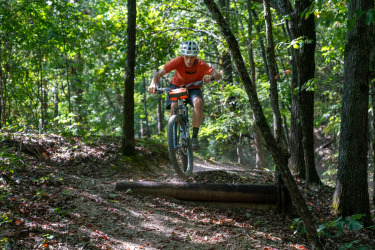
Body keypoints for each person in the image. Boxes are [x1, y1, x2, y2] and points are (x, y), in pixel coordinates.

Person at [148, 41, 222, 150]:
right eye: (186, 57)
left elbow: (218, 75)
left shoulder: (200, 64)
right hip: (177, 86)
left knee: (198, 102)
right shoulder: (177, 61)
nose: (189, 60)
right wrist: (153, 83)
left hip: (194, 88)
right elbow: (159, 74)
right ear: (182, 56)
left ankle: (195, 138)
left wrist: (210, 78)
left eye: (192, 58)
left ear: (196, 56)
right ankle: (172, 135)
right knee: (174, 105)